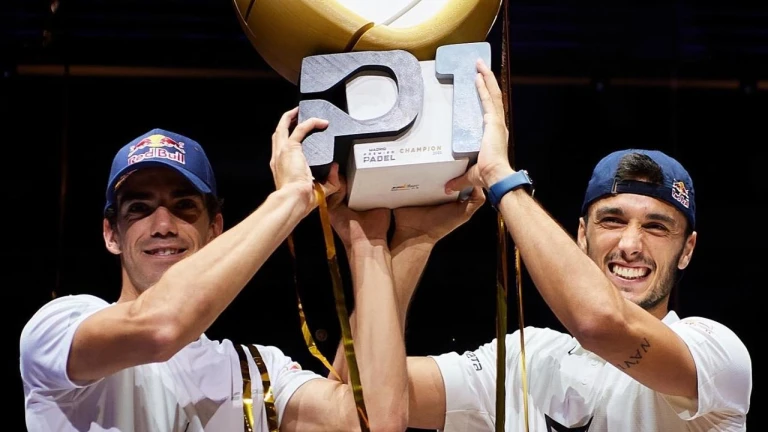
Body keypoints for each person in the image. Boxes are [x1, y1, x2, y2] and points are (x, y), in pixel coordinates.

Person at [333, 60, 753, 430]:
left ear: (687, 250)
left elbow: (600, 323)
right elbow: (362, 399)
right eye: (612, 220)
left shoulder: (715, 352)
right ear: (582, 235)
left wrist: (500, 176)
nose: (630, 244)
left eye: (656, 227)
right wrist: (404, 242)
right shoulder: (527, 357)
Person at [19, 108, 410, 432]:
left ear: (215, 229)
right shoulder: (58, 328)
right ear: (111, 234)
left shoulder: (256, 369)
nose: (163, 225)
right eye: (139, 208)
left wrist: (373, 240)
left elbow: (374, 420)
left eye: (184, 206)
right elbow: (162, 327)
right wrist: (292, 196)